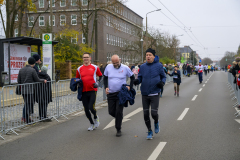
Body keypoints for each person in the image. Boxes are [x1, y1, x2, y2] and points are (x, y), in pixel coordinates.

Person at [133, 48, 166, 140]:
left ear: (153, 56)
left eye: (150, 55)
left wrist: (162, 83)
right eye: (147, 55)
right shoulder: (142, 67)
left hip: (155, 92)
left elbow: (163, 77)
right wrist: (137, 81)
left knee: (154, 113)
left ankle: (156, 122)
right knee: (145, 114)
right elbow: (140, 77)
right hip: (145, 93)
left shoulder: (159, 66)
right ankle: (149, 131)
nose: (148, 56)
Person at [104, 55, 135, 137]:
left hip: (121, 93)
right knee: (111, 112)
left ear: (120, 60)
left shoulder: (125, 68)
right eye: (114, 63)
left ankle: (118, 129)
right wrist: (106, 87)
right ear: (111, 62)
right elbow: (105, 77)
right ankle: (119, 117)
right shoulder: (108, 67)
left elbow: (132, 77)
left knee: (118, 111)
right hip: (111, 93)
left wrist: (130, 86)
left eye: (117, 62)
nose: (115, 64)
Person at [76, 52, 103, 131]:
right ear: (82, 59)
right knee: (86, 109)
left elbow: (101, 76)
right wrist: (77, 83)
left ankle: (95, 117)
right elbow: (77, 79)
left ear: (90, 58)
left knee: (91, 107)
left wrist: (98, 83)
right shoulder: (79, 68)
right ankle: (91, 123)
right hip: (83, 91)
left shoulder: (95, 67)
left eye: (87, 57)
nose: (86, 59)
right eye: (84, 57)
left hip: (92, 90)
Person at [17, 57, 47, 123]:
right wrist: (43, 80)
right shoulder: (32, 70)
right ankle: (27, 119)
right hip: (30, 90)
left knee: (26, 103)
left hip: (23, 90)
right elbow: (37, 79)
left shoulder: (21, 70)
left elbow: (18, 80)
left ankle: (25, 118)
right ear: (33, 63)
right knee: (30, 104)